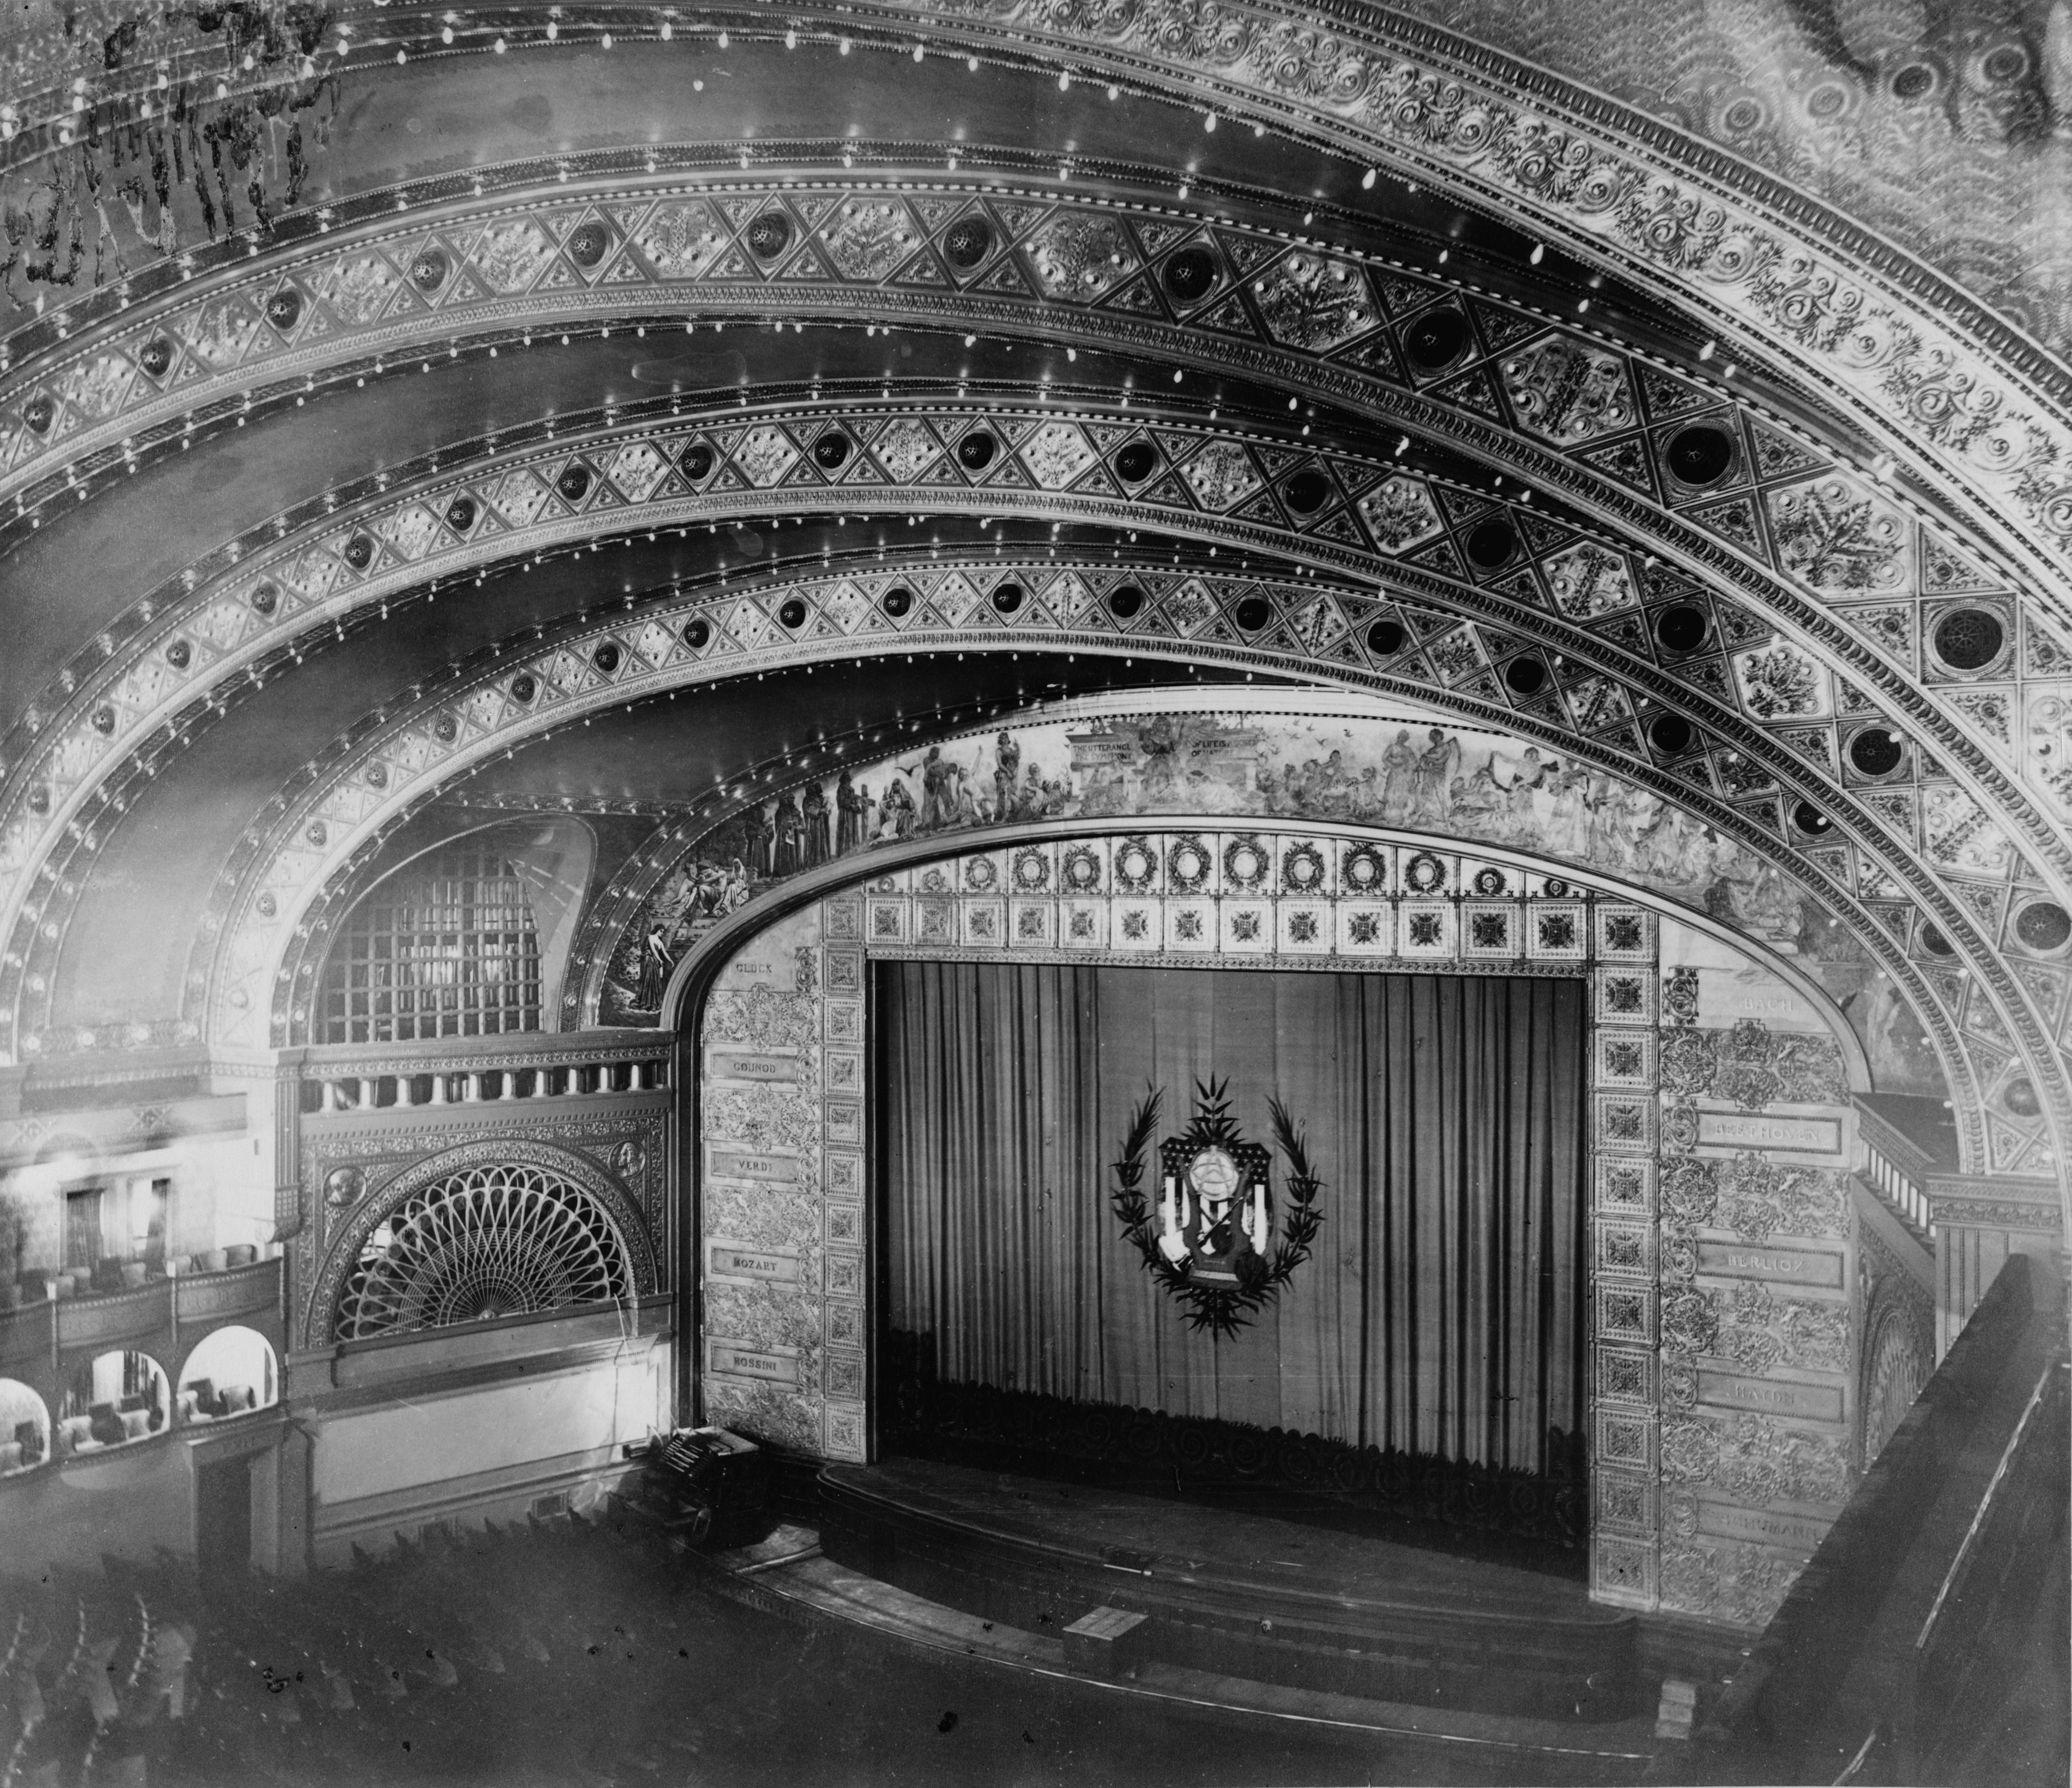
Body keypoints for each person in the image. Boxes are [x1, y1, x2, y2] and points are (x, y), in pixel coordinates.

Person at [801, 779, 831, 867]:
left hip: (820, 822)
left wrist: (826, 809)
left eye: (813, 787)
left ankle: (821, 860)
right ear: (808, 790)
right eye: (811, 787)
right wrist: (821, 811)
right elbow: (810, 809)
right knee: (813, 841)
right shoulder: (807, 799)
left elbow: (821, 808)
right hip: (812, 823)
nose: (813, 789)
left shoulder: (817, 798)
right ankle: (812, 863)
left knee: (821, 840)